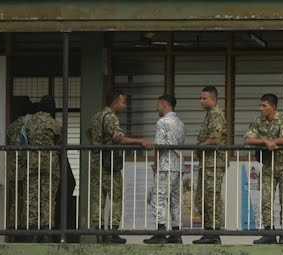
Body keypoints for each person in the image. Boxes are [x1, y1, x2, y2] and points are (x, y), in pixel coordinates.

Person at [87, 90, 153, 243]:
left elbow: (89, 135)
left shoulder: (96, 116)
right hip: (109, 164)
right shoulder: (111, 117)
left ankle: (98, 232)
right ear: (116, 101)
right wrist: (139, 141)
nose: (124, 106)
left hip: (96, 162)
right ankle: (113, 232)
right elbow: (118, 138)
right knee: (116, 197)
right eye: (123, 102)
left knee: (98, 198)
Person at [245, 92, 283, 244]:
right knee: (266, 198)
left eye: (264, 106)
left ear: (273, 107)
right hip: (268, 165)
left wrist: (272, 141)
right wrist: (265, 141)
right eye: (261, 105)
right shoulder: (258, 121)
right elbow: (248, 139)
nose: (261, 109)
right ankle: (269, 232)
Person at [20, 96, 63, 240]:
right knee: (48, 197)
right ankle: (46, 231)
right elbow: (60, 143)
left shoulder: (27, 122)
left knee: (32, 196)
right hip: (50, 164)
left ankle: (32, 231)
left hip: (32, 163)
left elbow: (22, 141)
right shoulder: (55, 124)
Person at [145, 93, 185, 245]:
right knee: (174, 200)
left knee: (158, 197)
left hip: (165, 164)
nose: (157, 107)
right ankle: (176, 232)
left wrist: (155, 165)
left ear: (164, 104)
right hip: (177, 165)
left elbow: (159, 146)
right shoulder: (180, 123)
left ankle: (160, 231)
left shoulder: (162, 122)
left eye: (158, 104)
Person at [194, 85, 228, 244]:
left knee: (211, 197)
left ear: (213, 99)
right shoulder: (209, 115)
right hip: (206, 162)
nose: (201, 101)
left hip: (214, 162)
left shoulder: (216, 115)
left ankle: (213, 233)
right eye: (200, 98)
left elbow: (215, 138)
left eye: (204, 98)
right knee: (202, 198)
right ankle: (208, 231)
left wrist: (200, 146)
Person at [5, 96, 34, 239]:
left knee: (14, 200)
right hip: (25, 167)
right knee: (27, 199)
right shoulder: (29, 124)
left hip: (12, 168)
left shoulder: (11, 126)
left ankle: (13, 231)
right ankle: (25, 231)